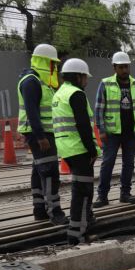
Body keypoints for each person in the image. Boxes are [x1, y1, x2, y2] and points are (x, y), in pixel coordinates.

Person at [16, 43, 67, 225]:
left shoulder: (41, 81)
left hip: (44, 133)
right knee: (49, 171)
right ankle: (55, 212)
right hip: (40, 135)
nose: (55, 67)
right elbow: (32, 112)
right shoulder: (31, 81)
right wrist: (40, 137)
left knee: (39, 172)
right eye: (52, 63)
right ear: (44, 62)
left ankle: (39, 210)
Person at [51, 58, 101, 245]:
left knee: (81, 189)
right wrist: (92, 150)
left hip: (66, 149)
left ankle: (85, 226)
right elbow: (83, 126)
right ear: (79, 76)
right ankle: (76, 235)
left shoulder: (59, 94)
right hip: (79, 149)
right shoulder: (76, 94)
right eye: (85, 77)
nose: (86, 81)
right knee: (83, 192)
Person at [93, 51, 135, 207]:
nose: (125, 70)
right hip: (111, 133)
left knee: (128, 164)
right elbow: (99, 109)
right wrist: (101, 130)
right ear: (114, 67)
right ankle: (102, 196)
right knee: (107, 163)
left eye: (127, 67)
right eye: (121, 67)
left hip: (131, 132)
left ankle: (125, 193)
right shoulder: (105, 83)